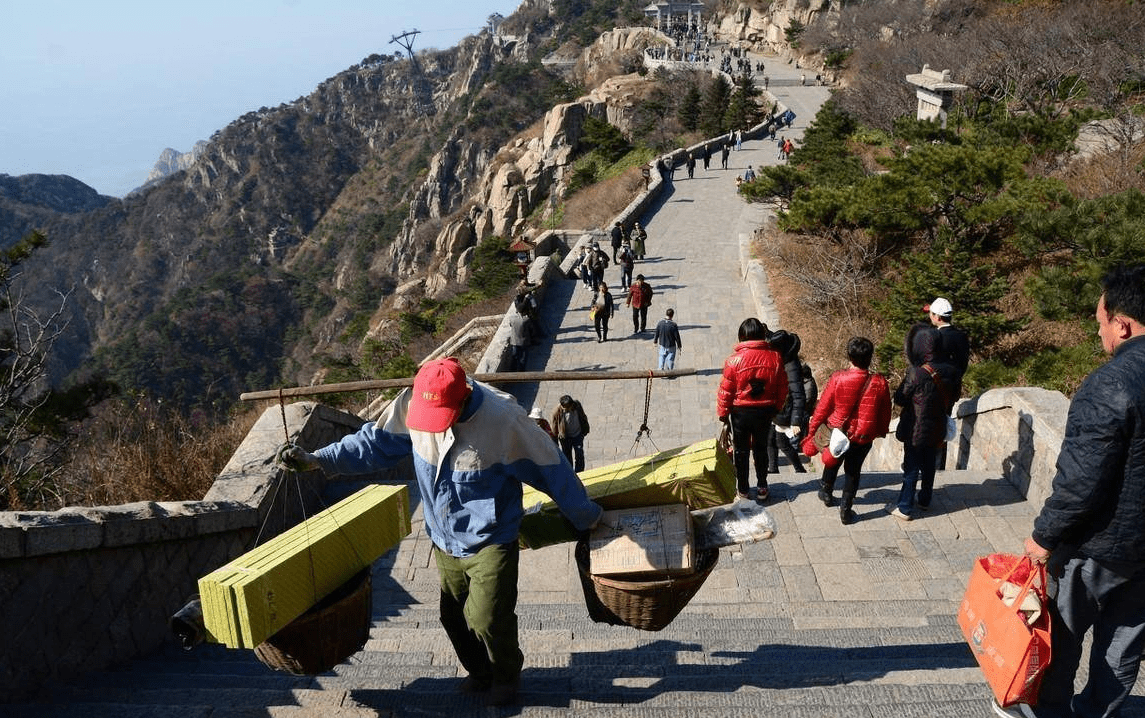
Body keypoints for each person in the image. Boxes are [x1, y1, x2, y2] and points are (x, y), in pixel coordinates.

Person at [277, 358, 603, 707]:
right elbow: (373, 444)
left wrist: (587, 518)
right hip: (442, 538)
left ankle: (507, 676)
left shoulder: (503, 421)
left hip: (490, 538)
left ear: (462, 398)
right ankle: (480, 673)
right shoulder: (412, 401)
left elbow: (551, 468)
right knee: (452, 617)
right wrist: (318, 459)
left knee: (487, 617)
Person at [993, 266, 1145, 718]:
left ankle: (1048, 711)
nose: (1099, 332)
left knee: (1059, 634)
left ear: (1122, 324)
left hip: (1097, 546)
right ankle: (1101, 711)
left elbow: (1081, 480)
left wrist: (1044, 537)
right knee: (1124, 643)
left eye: (1100, 322)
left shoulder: (1110, 384)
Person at [803, 337, 892, 525]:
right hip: (863, 435)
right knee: (853, 471)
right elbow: (885, 411)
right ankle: (846, 508)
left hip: (838, 431)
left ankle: (826, 491)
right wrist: (881, 430)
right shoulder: (879, 381)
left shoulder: (838, 378)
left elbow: (823, 407)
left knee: (833, 460)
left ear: (849, 356)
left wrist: (812, 431)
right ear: (870, 357)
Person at [889, 323, 959, 520]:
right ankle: (925, 500)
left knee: (911, 467)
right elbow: (954, 395)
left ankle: (904, 507)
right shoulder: (952, 370)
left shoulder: (917, 373)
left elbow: (900, 399)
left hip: (915, 428)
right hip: (937, 427)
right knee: (929, 464)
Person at [716, 318, 788, 502]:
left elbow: (726, 390)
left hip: (741, 412)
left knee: (741, 451)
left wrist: (723, 413)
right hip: (765, 411)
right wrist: (776, 407)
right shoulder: (776, 357)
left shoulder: (733, 360)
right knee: (761, 448)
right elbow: (782, 387)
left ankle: (743, 489)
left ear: (742, 336)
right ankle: (762, 486)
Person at [765, 329, 808, 475]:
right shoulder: (785, 358)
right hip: (777, 408)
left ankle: (799, 469)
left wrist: (796, 421)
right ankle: (773, 469)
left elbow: (798, 395)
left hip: (785, 410)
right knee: (770, 440)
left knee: (782, 443)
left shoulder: (791, 367)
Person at [926, 296, 970, 382]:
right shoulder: (962, 335)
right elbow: (963, 362)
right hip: (956, 384)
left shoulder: (933, 337)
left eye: (931, 313)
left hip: (936, 386)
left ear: (937, 317)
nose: (929, 315)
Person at [551, 394, 590, 472]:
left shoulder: (577, 405)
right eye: (567, 408)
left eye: (570, 406)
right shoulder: (556, 412)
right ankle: (570, 473)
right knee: (567, 457)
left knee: (579, 455)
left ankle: (579, 473)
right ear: (563, 407)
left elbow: (583, 416)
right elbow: (554, 428)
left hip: (577, 435)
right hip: (565, 438)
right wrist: (555, 442)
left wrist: (585, 429)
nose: (569, 409)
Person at [507, 307, 531, 372]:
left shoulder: (512, 319)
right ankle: (521, 372)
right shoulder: (526, 320)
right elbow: (530, 329)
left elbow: (511, 325)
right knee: (523, 358)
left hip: (514, 341)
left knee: (514, 357)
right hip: (524, 342)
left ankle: (512, 371)